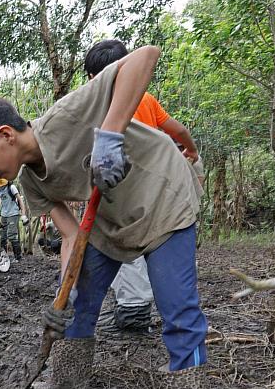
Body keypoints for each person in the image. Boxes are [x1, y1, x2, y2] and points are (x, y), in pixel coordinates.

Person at [0, 45, 217, 389]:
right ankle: (69, 378)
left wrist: (109, 135)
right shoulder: (30, 182)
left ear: (5, 135)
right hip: (111, 223)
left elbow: (145, 56)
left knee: (177, 310)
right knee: (81, 299)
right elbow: (72, 236)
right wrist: (63, 295)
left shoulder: (68, 115)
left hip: (163, 201)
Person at [84, 39, 201, 333]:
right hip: (161, 191)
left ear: (91, 78)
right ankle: (145, 314)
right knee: (162, 255)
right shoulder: (145, 98)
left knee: (126, 249)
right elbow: (178, 130)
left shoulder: (94, 104)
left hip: (126, 191)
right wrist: (192, 150)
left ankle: (135, 312)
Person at [0, 179, 28, 261]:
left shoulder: (11, 187)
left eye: (1, 185)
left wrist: (23, 214)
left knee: (12, 235)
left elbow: (20, 200)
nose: (0, 187)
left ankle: (18, 258)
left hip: (13, 213)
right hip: (4, 215)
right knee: (3, 237)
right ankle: (4, 258)